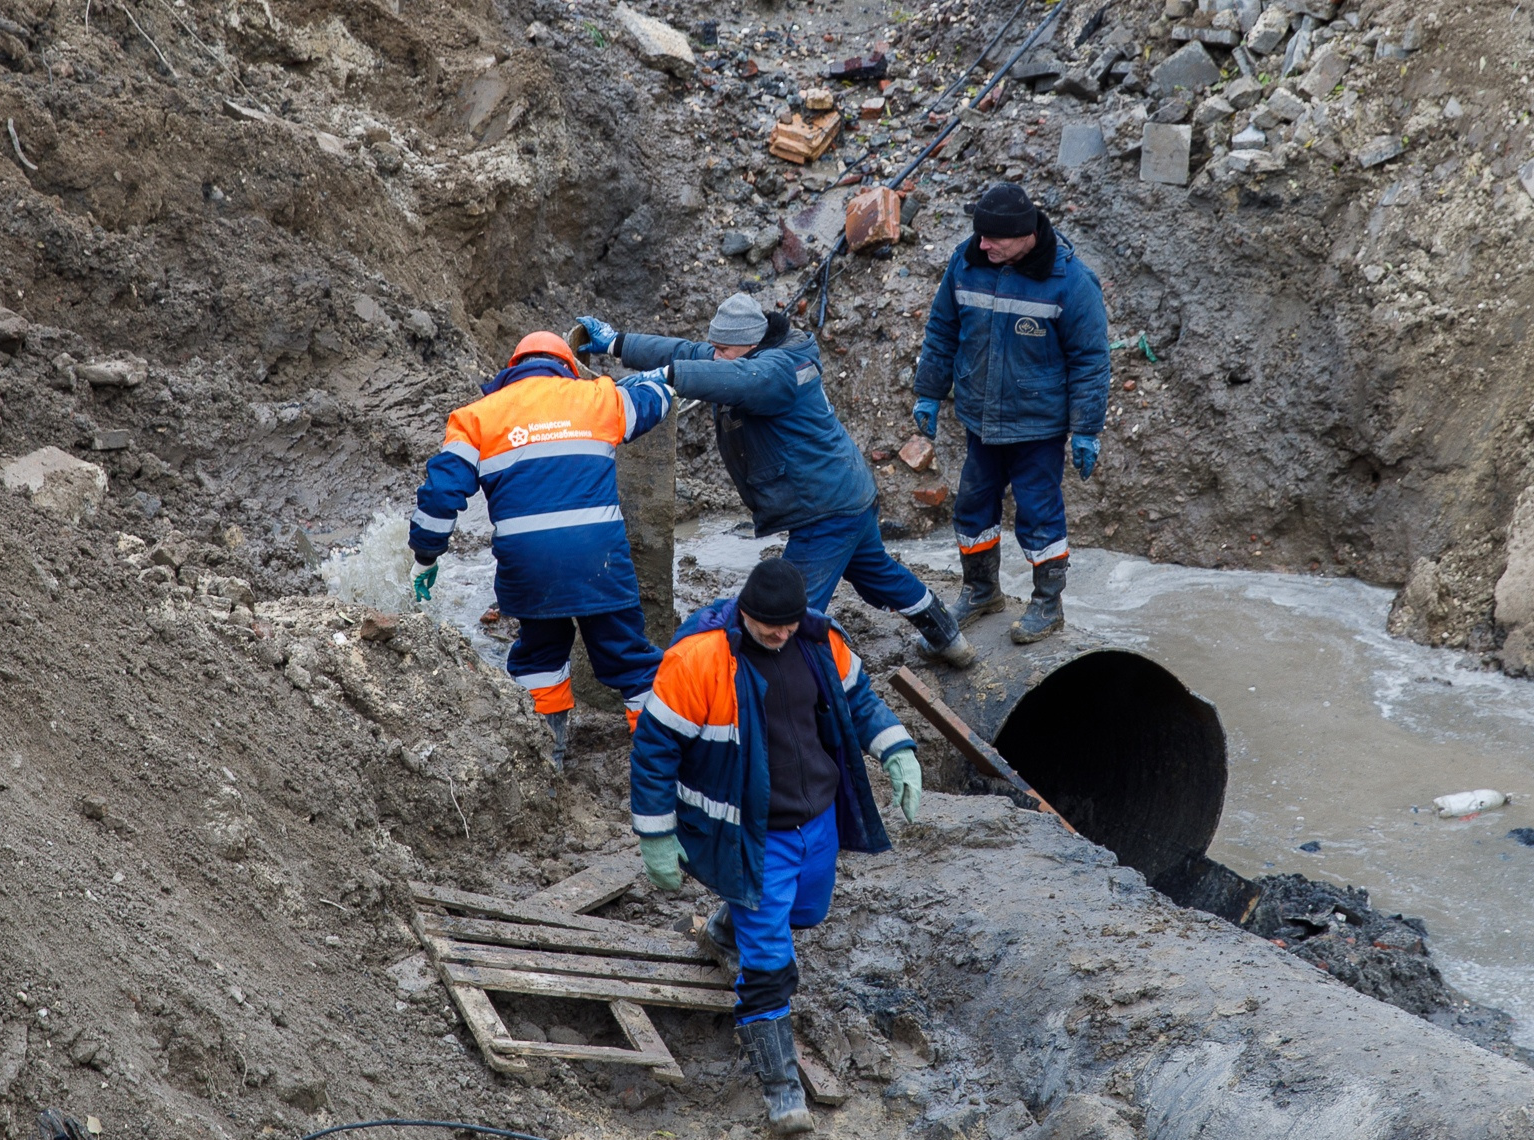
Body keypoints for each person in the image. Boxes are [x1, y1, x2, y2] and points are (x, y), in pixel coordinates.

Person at [629, 559, 921, 1134]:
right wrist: (655, 834)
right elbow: (654, 752)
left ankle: (729, 923)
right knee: (770, 961)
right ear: (745, 611)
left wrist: (896, 749)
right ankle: (781, 1088)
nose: (779, 635)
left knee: (806, 913)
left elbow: (860, 703)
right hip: (753, 833)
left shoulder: (818, 639)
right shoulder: (698, 660)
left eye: (787, 624)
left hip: (817, 823)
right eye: (768, 625)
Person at [573, 298, 975, 668]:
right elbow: (688, 353)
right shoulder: (744, 354)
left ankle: (775, 684)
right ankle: (949, 637)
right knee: (877, 571)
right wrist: (617, 344)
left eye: (723, 350)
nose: (715, 355)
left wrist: (668, 377)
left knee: (781, 609)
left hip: (826, 510)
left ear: (749, 344)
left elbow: (736, 379)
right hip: (848, 493)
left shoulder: (780, 371)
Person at [408, 331, 674, 767]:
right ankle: (663, 758)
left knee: (539, 652)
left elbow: (440, 495)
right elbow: (654, 400)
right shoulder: (598, 398)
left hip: (529, 569)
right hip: (599, 562)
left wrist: (426, 554)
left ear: (512, 369)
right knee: (630, 657)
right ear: (567, 366)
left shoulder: (475, 417)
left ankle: (547, 756)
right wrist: (666, 373)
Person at [912, 183, 1110, 644]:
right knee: (972, 506)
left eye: (992, 238)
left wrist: (1086, 428)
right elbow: (942, 329)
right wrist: (928, 391)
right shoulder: (967, 262)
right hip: (980, 419)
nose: (981, 245)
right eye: (979, 235)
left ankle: (1047, 605)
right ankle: (981, 591)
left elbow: (1091, 359)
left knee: (1039, 514)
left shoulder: (1071, 282)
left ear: (1024, 236)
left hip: (1037, 427)